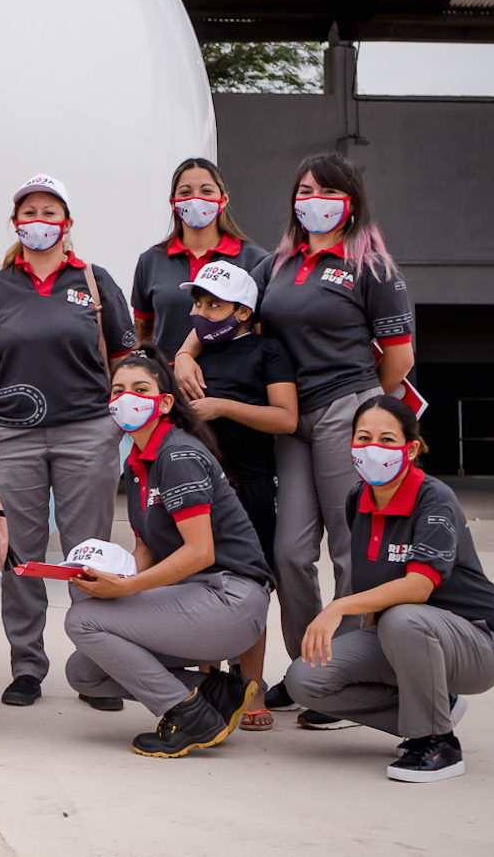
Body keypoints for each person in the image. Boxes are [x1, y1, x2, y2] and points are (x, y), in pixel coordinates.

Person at [177, 152, 416, 725]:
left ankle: (347, 672)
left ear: (349, 201)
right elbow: (227, 308)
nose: (312, 200)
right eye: (303, 191)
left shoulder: (371, 267)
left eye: (325, 191)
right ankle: (306, 668)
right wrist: (186, 351)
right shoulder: (280, 263)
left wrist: (363, 408)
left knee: (346, 546)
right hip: (290, 415)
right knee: (288, 552)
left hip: (344, 409)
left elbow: (401, 356)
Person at [0, 173, 136, 709]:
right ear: (16, 223)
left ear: (67, 223)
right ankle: (27, 666)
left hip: (88, 431)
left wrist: (121, 418)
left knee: (89, 553)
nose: (39, 220)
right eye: (29, 211)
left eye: (49, 211)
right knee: (24, 557)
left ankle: (98, 667)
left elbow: (125, 357)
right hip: (12, 436)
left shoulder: (95, 279)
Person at [284, 396, 494, 782]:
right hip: (406, 637)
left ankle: (437, 742)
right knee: (305, 679)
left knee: (403, 617)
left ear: (411, 448)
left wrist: (337, 608)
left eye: (387, 440)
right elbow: (374, 583)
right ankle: (436, 705)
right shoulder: (358, 499)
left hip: (476, 644)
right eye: (364, 437)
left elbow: (418, 587)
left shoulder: (434, 498)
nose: (373, 448)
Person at [66, 353, 274, 757]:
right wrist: (109, 579)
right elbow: (147, 547)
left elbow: (200, 552)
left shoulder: (177, 456)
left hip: (229, 599)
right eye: (118, 391)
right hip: (196, 599)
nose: (127, 399)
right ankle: (216, 693)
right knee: (85, 672)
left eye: (140, 390)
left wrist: (125, 589)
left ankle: (186, 712)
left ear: (164, 402)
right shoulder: (138, 460)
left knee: (83, 619)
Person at [182, 261, 299, 729]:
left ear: (245, 311)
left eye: (215, 304)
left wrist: (222, 407)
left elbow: (286, 418)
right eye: (198, 302)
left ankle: (252, 689)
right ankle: (209, 684)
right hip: (194, 490)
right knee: (195, 584)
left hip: (248, 487)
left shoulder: (267, 351)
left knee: (250, 587)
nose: (203, 312)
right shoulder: (192, 357)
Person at [129, 158, 270, 352]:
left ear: (223, 200)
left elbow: (264, 333)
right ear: (173, 203)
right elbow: (143, 334)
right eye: (185, 192)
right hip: (168, 379)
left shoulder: (255, 260)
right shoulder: (150, 261)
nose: (196, 199)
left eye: (206, 191)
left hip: (235, 379)